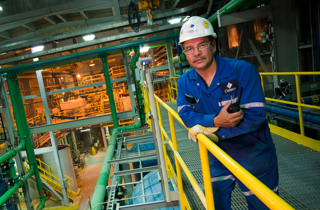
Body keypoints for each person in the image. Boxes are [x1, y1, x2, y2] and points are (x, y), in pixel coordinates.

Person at [176, 16, 278, 210]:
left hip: (253, 155)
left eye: (202, 45)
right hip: (215, 156)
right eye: (189, 48)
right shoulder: (185, 82)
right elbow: (186, 114)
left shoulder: (242, 71)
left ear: (213, 45)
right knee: (216, 206)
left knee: (264, 206)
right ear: (185, 53)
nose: (196, 53)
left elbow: (255, 115)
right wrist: (216, 120)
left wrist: (212, 130)